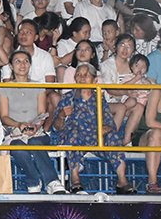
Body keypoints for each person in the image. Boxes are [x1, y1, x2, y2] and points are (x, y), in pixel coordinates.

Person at [53, 62, 136, 194]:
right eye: (78, 75)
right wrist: (62, 116)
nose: (81, 78)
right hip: (75, 136)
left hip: (96, 136)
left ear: (94, 79)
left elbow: (110, 123)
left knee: (113, 137)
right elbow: (57, 127)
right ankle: (75, 182)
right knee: (73, 135)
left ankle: (122, 181)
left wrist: (105, 129)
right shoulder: (68, 97)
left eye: (85, 75)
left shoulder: (99, 98)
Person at [0, 50, 66, 195]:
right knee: (18, 147)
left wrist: (36, 126)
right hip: (15, 132)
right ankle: (33, 181)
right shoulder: (5, 88)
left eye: (26, 61)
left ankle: (52, 181)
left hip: (37, 131)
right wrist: (18, 125)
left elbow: (42, 113)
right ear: (11, 66)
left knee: (35, 142)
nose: (22, 65)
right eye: (18, 61)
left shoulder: (38, 86)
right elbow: (4, 116)